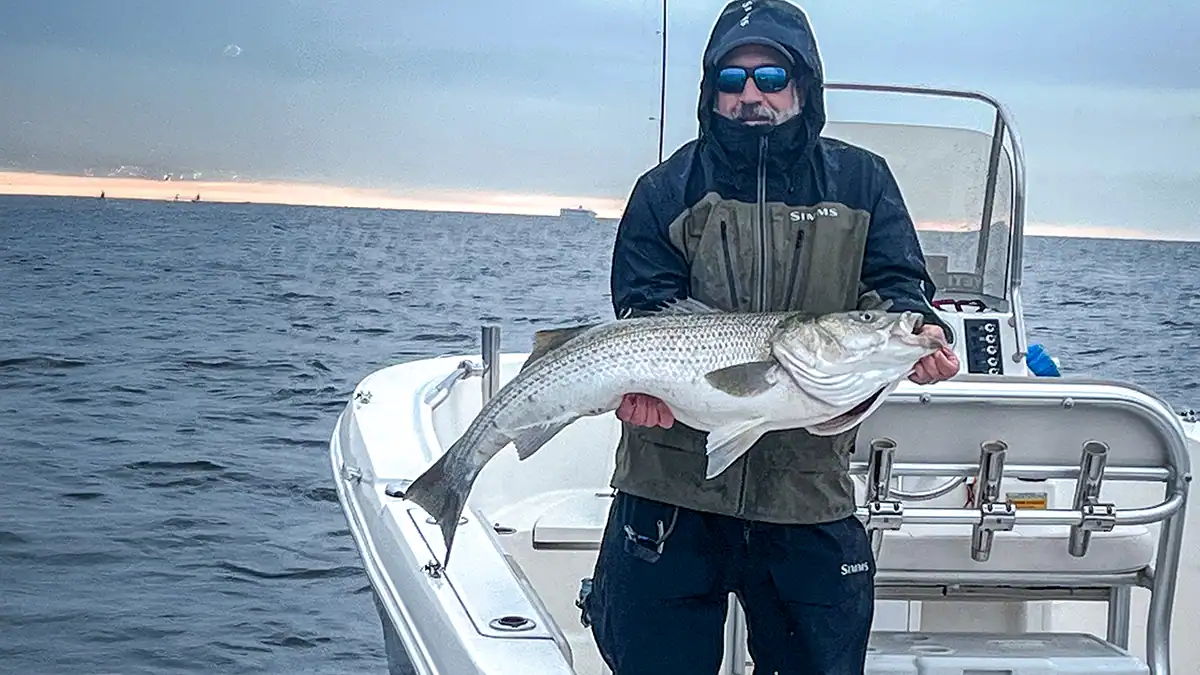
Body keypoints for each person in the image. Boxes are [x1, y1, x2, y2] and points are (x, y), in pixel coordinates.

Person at [579, 1, 960, 673]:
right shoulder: (665, 189)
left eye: (771, 76)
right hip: (670, 485)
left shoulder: (862, 181)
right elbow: (643, 312)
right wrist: (638, 394)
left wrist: (916, 335)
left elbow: (901, 288)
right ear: (711, 91)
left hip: (806, 492)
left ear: (803, 85)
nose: (750, 94)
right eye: (731, 79)